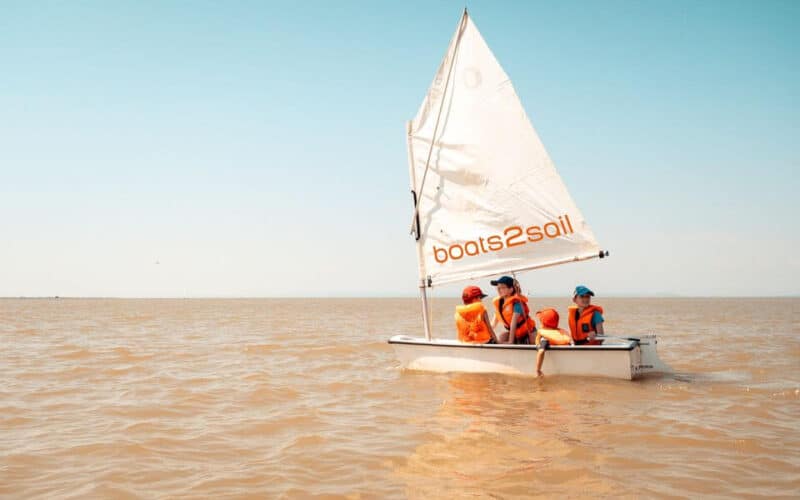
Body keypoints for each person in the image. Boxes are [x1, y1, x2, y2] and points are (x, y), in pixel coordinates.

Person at [490, 276, 536, 344]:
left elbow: (513, 323)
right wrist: (486, 337)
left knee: (534, 339)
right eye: (498, 287)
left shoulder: (517, 303)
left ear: (511, 289)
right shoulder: (499, 303)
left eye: (502, 287)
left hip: (528, 333)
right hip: (515, 334)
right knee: (502, 336)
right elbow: (493, 323)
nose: (499, 290)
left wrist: (510, 341)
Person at [534, 308, 573, 376]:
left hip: (558, 363)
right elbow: (572, 343)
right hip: (568, 359)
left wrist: (538, 370)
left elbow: (541, 351)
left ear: (543, 323)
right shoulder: (562, 333)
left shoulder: (545, 337)